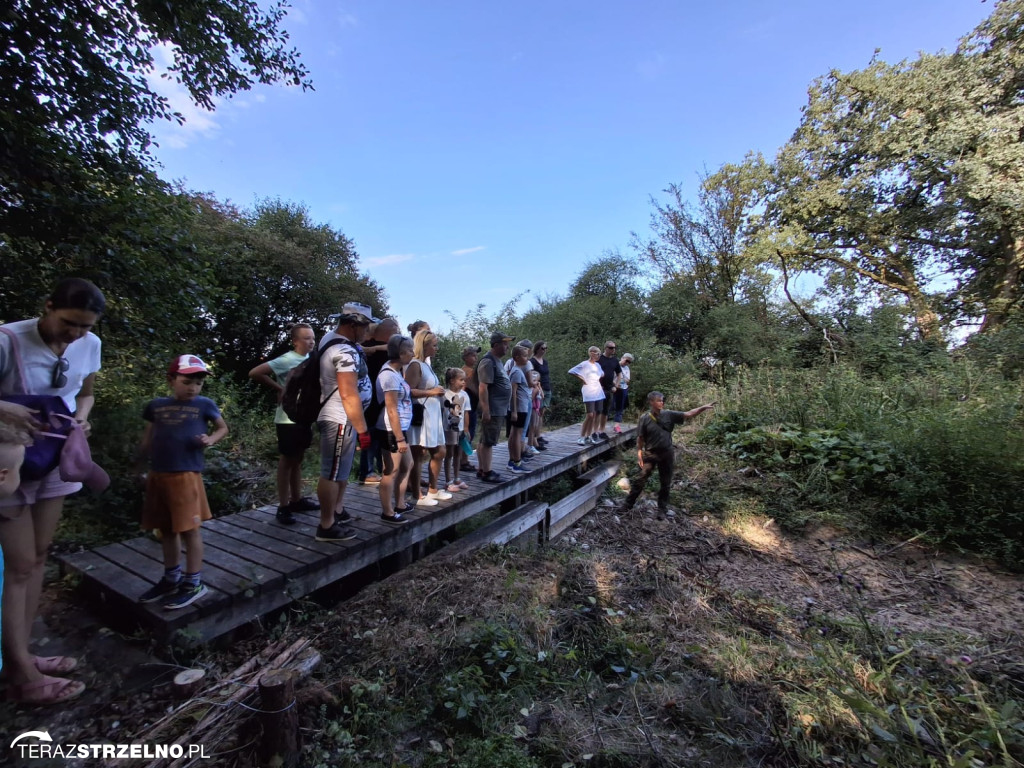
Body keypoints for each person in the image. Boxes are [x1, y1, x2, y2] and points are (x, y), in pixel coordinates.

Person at [0, 277, 104, 704]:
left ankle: (20, 655)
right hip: (9, 462)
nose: (75, 334)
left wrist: (81, 417)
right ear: (47, 307)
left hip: (57, 455)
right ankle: (22, 674)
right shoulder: (8, 340)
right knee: (19, 565)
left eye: (83, 326)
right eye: (68, 323)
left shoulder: (89, 343)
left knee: (40, 556)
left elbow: (87, 393)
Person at [136, 355, 229, 609]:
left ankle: (194, 582)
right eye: (188, 381)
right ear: (171, 380)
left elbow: (222, 428)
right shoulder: (156, 406)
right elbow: (148, 439)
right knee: (166, 528)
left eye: (198, 383)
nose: (193, 388)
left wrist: (210, 439)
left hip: (186, 475)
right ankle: (171, 577)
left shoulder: (204, 404)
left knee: (190, 530)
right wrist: (138, 467)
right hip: (158, 474)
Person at [315, 302, 377, 542]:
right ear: (353, 325)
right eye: (365, 326)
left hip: (344, 418)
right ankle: (326, 524)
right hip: (340, 418)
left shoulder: (333, 340)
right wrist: (362, 430)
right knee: (331, 472)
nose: (367, 331)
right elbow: (348, 393)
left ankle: (337, 511)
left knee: (340, 470)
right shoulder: (344, 352)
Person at [248, 323, 320, 524]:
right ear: (295, 341)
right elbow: (255, 372)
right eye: (306, 338)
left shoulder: (312, 359)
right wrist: (279, 388)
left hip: (304, 417)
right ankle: (283, 506)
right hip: (287, 419)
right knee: (287, 461)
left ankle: (296, 500)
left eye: (312, 337)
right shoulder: (287, 359)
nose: (311, 341)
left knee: (297, 460)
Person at [622, 391, 715, 518]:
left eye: (662, 400)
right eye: (659, 400)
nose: (662, 402)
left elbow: (688, 414)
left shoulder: (669, 414)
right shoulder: (645, 418)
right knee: (640, 480)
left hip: (666, 453)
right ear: (651, 402)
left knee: (665, 483)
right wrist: (639, 454)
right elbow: (640, 438)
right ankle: (627, 505)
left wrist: (703, 407)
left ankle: (662, 510)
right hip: (650, 453)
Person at [404, 330, 449, 506]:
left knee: (440, 451)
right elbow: (409, 390)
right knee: (418, 454)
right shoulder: (415, 365)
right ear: (424, 345)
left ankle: (433, 489)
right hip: (422, 414)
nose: (437, 348)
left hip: (433, 414)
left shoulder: (426, 364)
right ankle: (417, 494)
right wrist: (432, 391)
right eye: (434, 345)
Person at [374, 334, 415, 524]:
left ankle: (400, 503)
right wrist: (399, 438)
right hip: (391, 430)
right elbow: (391, 409)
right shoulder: (388, 375)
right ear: (401, 353)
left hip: (400, 427)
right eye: (410, 351)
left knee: (408, 465)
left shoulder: (397, 372)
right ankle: (387, 512)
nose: (413, 354)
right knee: (391, 470)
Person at [357, 317, 399, 486]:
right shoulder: (366, 346)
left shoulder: (382, 348)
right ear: (390, 332)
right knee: (370, 434)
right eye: (396, 331)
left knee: (380, 436)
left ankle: (381, 469)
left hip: (382, 400)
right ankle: (366, 472)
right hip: (370, 401)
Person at [476, 331, 513, 483]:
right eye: (504, 344)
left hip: (498, 408)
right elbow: (483, 387)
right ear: (496, 345)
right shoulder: (488, 361)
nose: (507, 347)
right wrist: (486, 410)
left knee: (485, 439)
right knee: (488, 441)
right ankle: (487, 472)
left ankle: (481, 469)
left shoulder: (497, 360)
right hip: (492, 409)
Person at [568, 346, 605, 445]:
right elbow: (571, 371)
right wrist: (582, 379)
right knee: (590, 415)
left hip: (598, 391)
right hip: (589, 391)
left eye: (599, 354)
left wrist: (598, 376)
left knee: (596, 414)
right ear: (591, 353)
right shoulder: (584, 364)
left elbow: (602, 374)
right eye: (597, 353)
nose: (598, 355)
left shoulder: (597, 365)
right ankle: (581, 436)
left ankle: (589, 436)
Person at [442, 368, 470, 491]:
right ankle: (448, 481)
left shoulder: (464, 395)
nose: (463, 382)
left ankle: (457, 477)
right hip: (448, 428)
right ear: (452, 381)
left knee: (458, 453)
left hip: (460, 429)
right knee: (449, 453)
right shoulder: (444, 394)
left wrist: (466, 428)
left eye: (464, 379)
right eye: (461, 379)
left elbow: (466, 413)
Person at [506, 345, 531, 474]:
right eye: (525, 356)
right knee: (517, 435)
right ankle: (517, 462)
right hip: (519, 408)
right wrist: (514, 410)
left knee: (514, 434)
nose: (527, 358)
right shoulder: (516, 371)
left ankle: (512, 461)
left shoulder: (518, 370)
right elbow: (513, 392)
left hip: (521, 407)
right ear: (517, 357)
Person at [594, 340, 622, 441]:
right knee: (597, 411)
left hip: (609, 389)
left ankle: (601, 431)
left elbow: (619, 374)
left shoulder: (615, 360)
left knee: (605, 411)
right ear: (605, 348)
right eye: (611, 347)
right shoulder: (599, 359)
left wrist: (616, 385)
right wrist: (595, 384)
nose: (613, 349)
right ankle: (595, 431)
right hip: (598, 389)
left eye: (614, 347)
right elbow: (591, 371)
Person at [528, 341, 551, 448]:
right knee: (536, 413)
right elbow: (533, 376)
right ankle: (535, 437)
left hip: (547, 388)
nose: (544, 350)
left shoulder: (545, 361)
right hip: (538, 389)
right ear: (537, 349)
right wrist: (538, 388)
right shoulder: (532, 361)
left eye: (546, 348)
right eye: (542, 348)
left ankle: (539, 435)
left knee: (542, 413)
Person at [526, 370, 545, 454]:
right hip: (533, 408)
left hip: (536, 409)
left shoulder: (537, 388)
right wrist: (536, 389)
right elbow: (531, 398)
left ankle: (532, 444)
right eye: (533, 380)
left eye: (536, 380)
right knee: (532, 426)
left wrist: (539, 387)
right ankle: (530, 445)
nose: (535, 382)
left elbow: (543, 396)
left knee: (535, 426)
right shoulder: (532, 389)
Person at [613, 353, 633, 424]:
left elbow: (628, 380)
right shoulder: (614, 365)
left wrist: (623, 377)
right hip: (614, 388)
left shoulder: (627, 368)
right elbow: (609, 378)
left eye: (629, 362)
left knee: (620, 408)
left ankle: (617, 425)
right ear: (622, 358)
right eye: (627, 360)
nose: (627, 363)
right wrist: (615, 384)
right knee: (609, 407)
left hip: (623, 388)